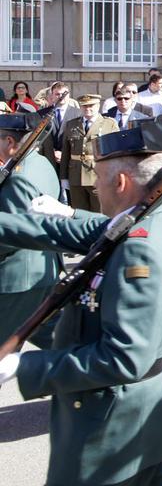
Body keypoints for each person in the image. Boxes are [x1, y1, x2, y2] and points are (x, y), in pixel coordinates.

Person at [0, 120, 162, 484]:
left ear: (121, 182)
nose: (93, 186)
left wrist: (25, 367)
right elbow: (84, 231)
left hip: (112, 424)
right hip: (155, 409)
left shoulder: (140, 249)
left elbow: (124, 357)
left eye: (97, 178)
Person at [0, 113, 59, 349]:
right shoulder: (40, 163)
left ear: (10, 143)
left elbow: (12, 234)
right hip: (41, 270)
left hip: (17, 278)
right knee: (53, 340)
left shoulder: (19, 177)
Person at [58, 94, 118, 212]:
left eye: (91, 105)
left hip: (98, 175)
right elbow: (66, 152)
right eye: (84, 106)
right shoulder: (72, 124)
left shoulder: (109, 124)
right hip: (76, 176)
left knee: (99, 211)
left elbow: (116, 153)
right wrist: (64, 177)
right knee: (78, 211)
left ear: (98, 105)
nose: (88, 108)